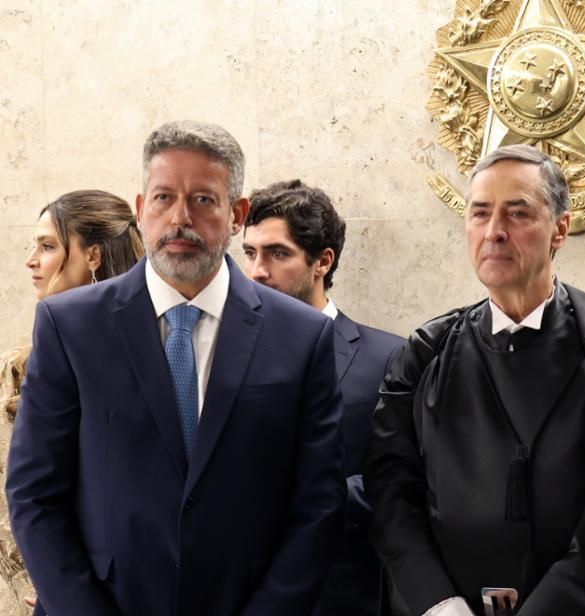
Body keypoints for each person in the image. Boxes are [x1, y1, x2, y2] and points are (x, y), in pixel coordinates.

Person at [6, 120, 346, 616]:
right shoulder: (70, 325)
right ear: (141, 209)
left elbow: (319, 504)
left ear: (237, 214)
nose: (180, 218)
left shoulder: (302, 335)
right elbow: (35, 494)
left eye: (204, 200)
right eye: (164, 198)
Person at [365, 144, 585, 616]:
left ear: (560, 229)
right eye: (479, 213)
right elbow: (389, 489)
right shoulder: (425, 353)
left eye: (517, 213)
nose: (494, 232)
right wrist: (438, 603)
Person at [242, 179, 403, 616]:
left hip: (343, 596)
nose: (257, 271)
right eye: (250, 253)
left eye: (277, 254)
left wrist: (300, 497)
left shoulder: (388, 357)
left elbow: (403, 479)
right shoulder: (221, 357)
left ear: (323, 261)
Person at [1, 189, 144, 614]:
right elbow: (32, 493)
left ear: (93, 256)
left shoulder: (147, 355)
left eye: (47, 247)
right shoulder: (26, 359)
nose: (31, 261)